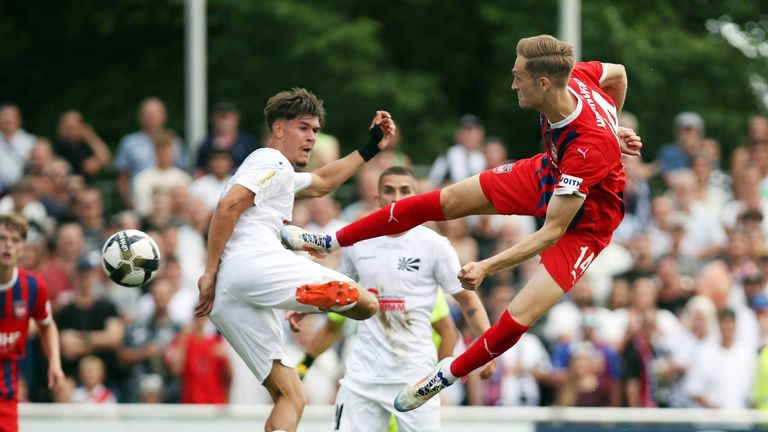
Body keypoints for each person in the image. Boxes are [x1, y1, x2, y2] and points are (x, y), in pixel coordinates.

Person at [282, 34, 642, 411]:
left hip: (586, 225)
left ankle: (446, 374)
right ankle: (329, 241)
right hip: (550, 172)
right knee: (445, 200)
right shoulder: (579, 77)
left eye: (519, 76)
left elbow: (552, 231)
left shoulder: (588, 147)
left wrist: (488, 265)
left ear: (544, 83)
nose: (513, 83)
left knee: (520, 315)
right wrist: (612, 124)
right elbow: (618, 73)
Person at [194, 88, 395, 432]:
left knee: (291, 397)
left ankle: (303, 290)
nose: (312, 138)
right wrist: (207, 271)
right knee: (367, 303)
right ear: (278, 129)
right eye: (304, 128)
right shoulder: (269, 160)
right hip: (250, 266)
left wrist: (371, 147)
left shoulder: (277, 173)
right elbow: (228, 206)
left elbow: (322, 182)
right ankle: (306, 285)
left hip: (229, 298)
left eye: (316, 131)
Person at [290, 166, 491, 431]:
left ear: (416, 196)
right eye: (389, 190)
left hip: (415, 379)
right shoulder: (357, 240)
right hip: (362, 378)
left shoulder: (434, 245)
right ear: (377, 199)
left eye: (405, 190)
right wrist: (303, 306)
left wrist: (488, 349)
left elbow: (467, 301)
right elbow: (337, 290)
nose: (396, 197)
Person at [0, 214, 64, 431]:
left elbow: (47, 325)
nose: (7, 246)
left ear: (22, 248)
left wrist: (54, 362)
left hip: (5, 393)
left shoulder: (32, 285)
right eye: (1, 239)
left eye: (15, 240)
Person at [114, 97, 185, 209]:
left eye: (156, 112)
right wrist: (129, 202)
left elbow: (181, 170)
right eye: (147, 113)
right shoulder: (129, 142)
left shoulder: (174, 141)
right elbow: (122, 177)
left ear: (164, 116)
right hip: (140, 201)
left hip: (171, 205)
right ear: (140, 117)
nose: (151, 116)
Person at [194, 99, 258, 177]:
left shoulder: (247, 143)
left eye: (227, 117)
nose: (224, 122)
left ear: (236, 118)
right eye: (220, 117)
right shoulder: (206, 144)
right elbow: (199, 172)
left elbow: (255, 170)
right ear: (214, 119)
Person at [53, 110, 112, 181]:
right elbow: (90, 167)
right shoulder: (61, 147)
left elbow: (107, 158)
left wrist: (91, 137)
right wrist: (91, 137)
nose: (73, 130)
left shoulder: (84, 144)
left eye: (77, 126)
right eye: (70, 127)